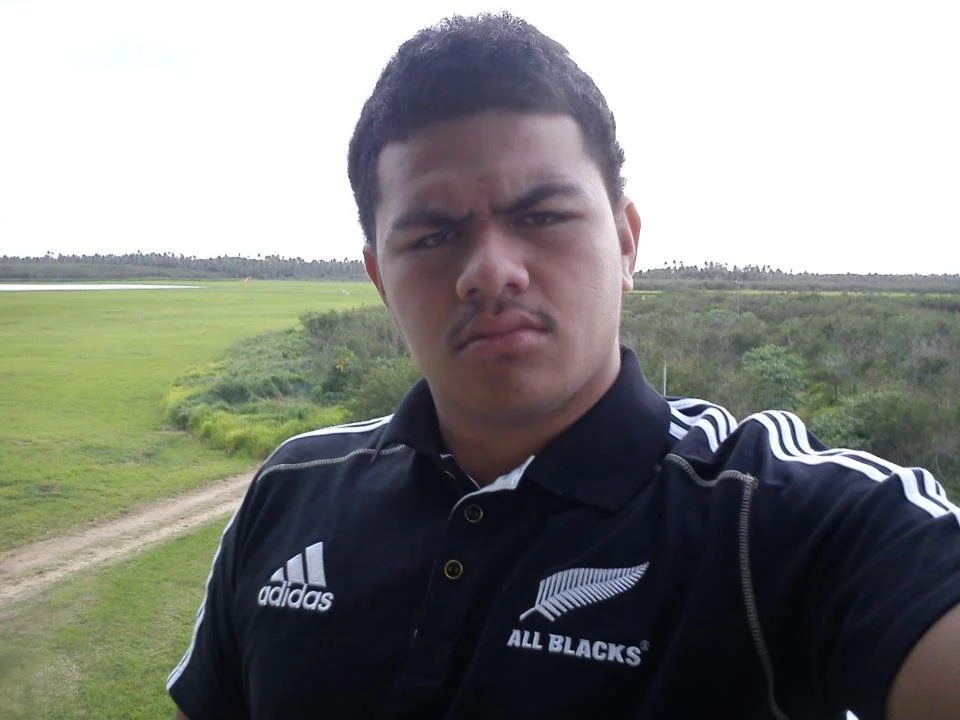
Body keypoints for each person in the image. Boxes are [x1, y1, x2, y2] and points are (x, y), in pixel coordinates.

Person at [167, 12, 960, 720]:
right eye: (434, 235)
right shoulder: (293, 489)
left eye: (541, 216)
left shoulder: (779, 523)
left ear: (625, 242)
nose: (490, 271)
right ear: (379, 277)